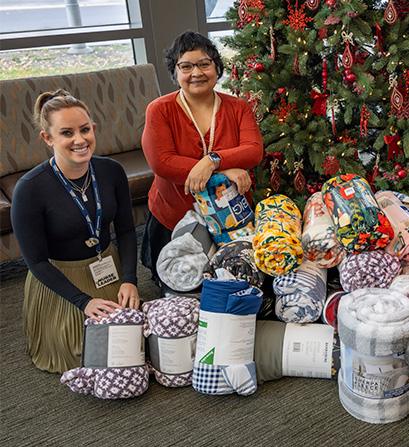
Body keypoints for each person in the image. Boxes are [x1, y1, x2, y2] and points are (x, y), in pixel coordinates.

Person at [11, 90, 140, 374]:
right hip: (61, 279)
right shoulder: (30, 189)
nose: (80, 140)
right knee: (87, 353)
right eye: (67, 133)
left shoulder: (111, 171)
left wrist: (130, 280)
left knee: (131, 343)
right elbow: (36, 262)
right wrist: (83, 302)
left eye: (85, 130)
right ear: (48, 138)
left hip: (108, 265)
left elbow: (128, 232)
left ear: (93, 129)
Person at [141, 31, 264, 282]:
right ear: (175, 73)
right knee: (179, 283)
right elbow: (162, 162)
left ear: (217, 69)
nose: (196, 73)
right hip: (175, 211)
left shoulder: (237, 107)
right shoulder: (160, 109)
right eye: (186, 66)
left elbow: (253, 150)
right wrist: (224, 171)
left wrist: (212, 161)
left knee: (236, 281)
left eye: (204, 64)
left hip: (232, 216)